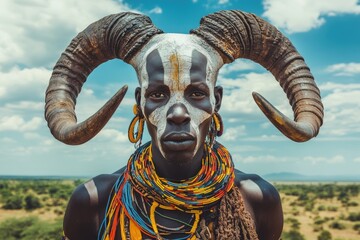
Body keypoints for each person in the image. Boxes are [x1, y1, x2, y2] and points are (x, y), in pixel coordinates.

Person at [45, 10, 323, 240]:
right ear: (140, 102)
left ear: (217, 101)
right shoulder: (95, 201)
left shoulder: (258, 200)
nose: (178, 113)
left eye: (196, 94)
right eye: (158, 94)